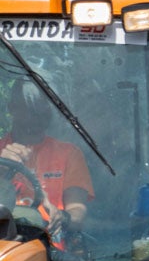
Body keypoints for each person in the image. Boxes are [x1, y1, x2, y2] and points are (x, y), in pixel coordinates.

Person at [0, 82, 94, 229]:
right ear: (12, 108)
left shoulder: (69, 153)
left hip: (53, 246)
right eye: (31, 106)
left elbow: (77, 210)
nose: (39, 113)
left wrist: (63, 217)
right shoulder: (1, 153)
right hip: (5, 245)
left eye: (44, 106)